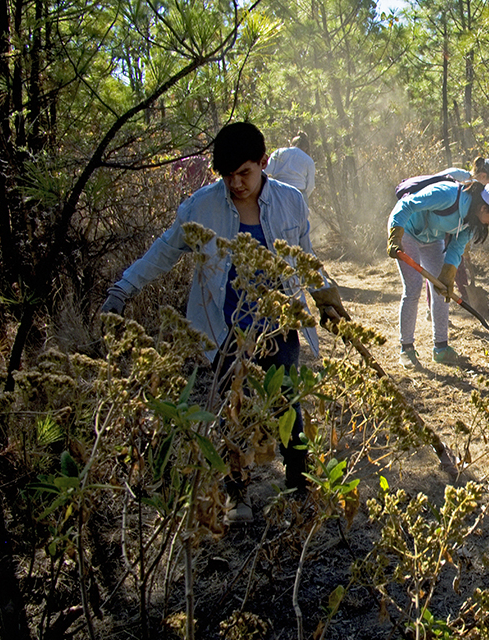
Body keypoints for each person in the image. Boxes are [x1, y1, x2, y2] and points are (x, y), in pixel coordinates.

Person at [100, 122, 349, 524]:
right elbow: (164, 252)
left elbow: (305, 255)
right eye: (227, 176)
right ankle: (239, 495)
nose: (236, 184)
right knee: (234, 410)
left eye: (244, 173)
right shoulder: (201, 207)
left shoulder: (291, 202)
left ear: (263, 163)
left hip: (278, 324)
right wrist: (123, 290)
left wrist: (323, 294)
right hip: (225, 329)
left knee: (287, 402)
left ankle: (299, 484)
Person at [386, 180, 489, 369]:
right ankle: (407, 348)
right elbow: (407, 205)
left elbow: (456, 247)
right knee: (413, 287)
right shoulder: (447, 195)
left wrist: (448, 273)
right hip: (408, 230)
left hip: (432, 239)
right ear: (484, 207)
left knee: (442, 290)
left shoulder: (473, 221)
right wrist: (395, 235)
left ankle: (441, 348)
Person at [425, 157, 489, 306]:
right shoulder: (458, 177)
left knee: (455, 263)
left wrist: (464, 244)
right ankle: (433, 305)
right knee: (437, 268)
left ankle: (463, 296)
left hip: (455, 231)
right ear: (483, 177)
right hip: (437, 228)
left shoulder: (477, 192)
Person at [266, 131, 316, 199]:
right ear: (306, 147)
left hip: (278, 191)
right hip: (297, 194)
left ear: (291, 144)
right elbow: (310, 186)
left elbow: (266, 171)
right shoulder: (308, 160)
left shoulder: (279, 152)